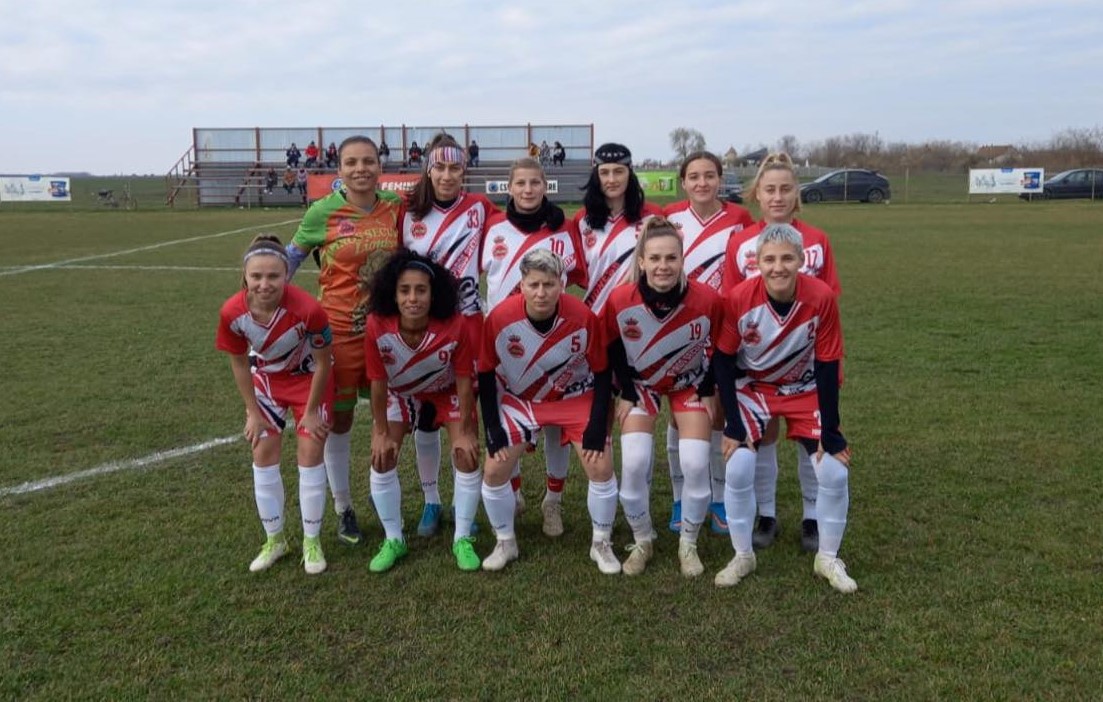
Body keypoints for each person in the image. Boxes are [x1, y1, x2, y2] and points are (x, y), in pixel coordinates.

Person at [713, 223, 857, 593]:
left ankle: (828, 557)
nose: (779, 267)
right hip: (755, 388)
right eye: (770, 259)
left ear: (801, 261)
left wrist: (831, 430)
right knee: (739, 465)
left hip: (804, 389)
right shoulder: (738, 299)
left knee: (834, 472)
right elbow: (723, 361)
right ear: (758, 262)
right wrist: (733, 424)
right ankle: (742, 554)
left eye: (787, 258)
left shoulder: (821, 297)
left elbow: (827, 364)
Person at [284, 135, 403, 547]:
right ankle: (343, 506)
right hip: (339, 333)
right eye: (351, 162)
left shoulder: (395, 206)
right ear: (339, 169)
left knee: (394, 417)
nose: (360, 169)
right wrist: (261, 298)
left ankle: (388, 495)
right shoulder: (323, 211)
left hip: (388, 332)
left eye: (368, 161)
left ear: (379, 166)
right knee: (340, 420)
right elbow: (290, 259)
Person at [722, 152, 842, 553]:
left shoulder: (818, 240)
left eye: (785, 189)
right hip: (757, 366)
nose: (777, 197)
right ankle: (767, 514)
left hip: (806, 363)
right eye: (769, 189)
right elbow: (731, 304)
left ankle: (811, 517)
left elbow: (826, 301)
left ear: (797, 194)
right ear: (757, 193)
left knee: (813, 443)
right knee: (765, 435)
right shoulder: (741, 242)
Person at [478, 249, 619, 574]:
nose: (541, 293)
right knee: (494, 469)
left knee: (600, 466)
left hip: (573, 397)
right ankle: (505, 542)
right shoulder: (500, 318)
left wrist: (598, 424)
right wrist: (492, 427)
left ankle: (601, 543)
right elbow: (485, 372)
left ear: (562, 285)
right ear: (522, 286)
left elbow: (601, 372)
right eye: (534, 284)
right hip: (522, 400)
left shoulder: (582, 317)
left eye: (549, 284)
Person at [604, 217, 723, 576]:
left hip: (688, 383)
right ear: (641, 261)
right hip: (642, 385)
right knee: (635, 462)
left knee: (696, 463)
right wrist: (626, 390)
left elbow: (723, 346)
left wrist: (707, 388)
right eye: (654, 258)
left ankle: (688, 543)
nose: (663, 266)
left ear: (683, 259)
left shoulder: (708, 299)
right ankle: (643, 540)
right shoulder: (620, 299)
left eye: (671, 258)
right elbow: (612, 345)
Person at [215, 235, 334, 575]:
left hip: (310, 382)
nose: (264, 284)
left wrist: (311, 412)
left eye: (273, 276)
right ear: (245, 276)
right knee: (262, 454)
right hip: (267, 383)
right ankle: (275, 540)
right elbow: (240, 364)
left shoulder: (309, 310)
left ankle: (312, 541)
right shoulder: (232, 313)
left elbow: (324, 363)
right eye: (256, 276)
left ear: (286, 276)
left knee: (310, 453)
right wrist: (252, 412)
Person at [481, 157, 587, 532]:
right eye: (521, 183)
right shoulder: (492, 227)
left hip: (555, 342)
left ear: (545, 186)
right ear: (510, 187)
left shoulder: (564, 228)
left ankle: (552, 502)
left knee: (557, 423)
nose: (528, 190)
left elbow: (579, 277)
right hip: (505, 343)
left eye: (535, 183)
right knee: (506, 420)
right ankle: (515, 493)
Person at [400, 134, 496, 536]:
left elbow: (515, 229)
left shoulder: (480, 207)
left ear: (464, 170)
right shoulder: (408, 211)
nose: (446, 175)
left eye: (455, 167)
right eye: (439, 167)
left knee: (464, 415)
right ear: (428, 169)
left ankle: (462, 503)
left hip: (468, 324)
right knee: (424, 416)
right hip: (421, 328)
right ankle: (431, 501)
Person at [362, 250, 482, 572]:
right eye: (404, 290)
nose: (412, 298)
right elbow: (377, 384)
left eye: (421, 290)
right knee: (382, 456)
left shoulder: (454, 325)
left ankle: (462, 538)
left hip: (445, 391)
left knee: (466, 454)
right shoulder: (376, 325)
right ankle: (394, 539)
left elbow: (464, 383)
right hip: (401, 393)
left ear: (433, 293)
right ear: (393, 294)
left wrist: (466, 431)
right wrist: (381, 432)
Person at [662, 150, 755, 536]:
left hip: (724, 325)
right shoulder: (670, 217)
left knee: (717, 411)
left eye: (709, 175)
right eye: (694, 176)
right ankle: (680, 497)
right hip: (680, 326)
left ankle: (718, 498)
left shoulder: (740, 219)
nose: (702, 183)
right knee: (679, 412)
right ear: (683, 182)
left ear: (720, 179)